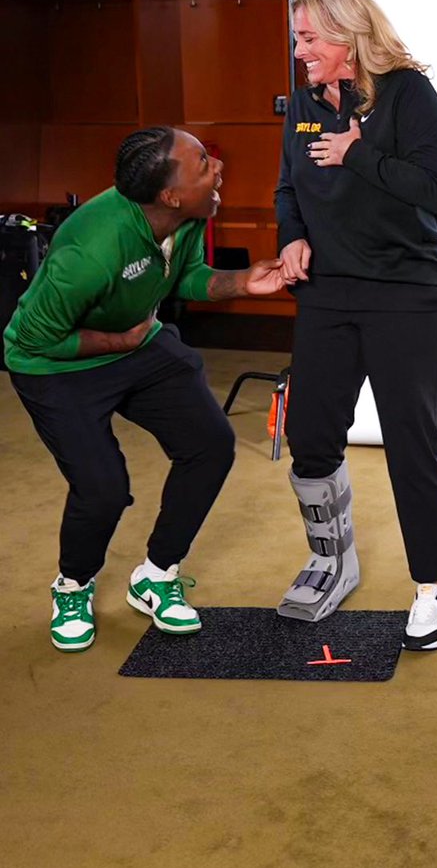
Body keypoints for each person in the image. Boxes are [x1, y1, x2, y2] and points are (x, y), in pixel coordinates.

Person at [4, 127, 287, 652]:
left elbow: (186, 278)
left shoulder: (190, 215)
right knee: (103, 489)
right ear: (169, 194)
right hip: (55, 366)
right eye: (203, 163)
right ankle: (73, 585)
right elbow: (33, 339)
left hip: (137, 345)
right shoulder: (92, 247)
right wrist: (118, 337)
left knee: (209, 444)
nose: (217, 168)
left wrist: (244, 281)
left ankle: (156, 573)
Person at [275, 0, 437, 651]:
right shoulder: (300, 103)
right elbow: (288, 185)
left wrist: (360, 153)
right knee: (311, 435)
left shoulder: (408, 93)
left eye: (310, 39)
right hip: (327, 292)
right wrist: (291, 236)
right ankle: (332, 560)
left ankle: (432, 590)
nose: (300, 51)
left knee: (412, 445)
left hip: (404, 292)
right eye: (298, 38)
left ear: (349, 38)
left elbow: (435, 190)